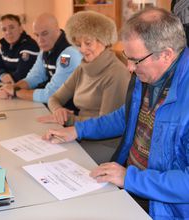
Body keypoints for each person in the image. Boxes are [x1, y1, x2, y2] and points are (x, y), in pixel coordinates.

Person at [42, 7, 189, 219]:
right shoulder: (148, 73)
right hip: (132, 186)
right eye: (126, 57)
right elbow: (126, 117)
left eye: (135, 60)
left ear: (166, 54)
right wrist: (77, 130)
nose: (129, 68)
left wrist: (130, 179)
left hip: (162, 206)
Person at [37, 11, 130, 126]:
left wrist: (68, 119)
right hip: (79, 134)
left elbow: (106, 125)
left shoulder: (116, 73)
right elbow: (54, 98)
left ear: (104, 41)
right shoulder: (82, 68)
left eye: (88, 43)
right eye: (78, 44)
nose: (82, 49)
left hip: (102, 142)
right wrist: (58, 111)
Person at [0, 13, 82, 104]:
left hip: (75, 111)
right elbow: (35, 76)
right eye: (37, 35)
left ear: (57, 30)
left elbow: (52, 94)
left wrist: (15, 92)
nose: (40, 40)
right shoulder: (46, 48)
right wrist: (12, 87)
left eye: (44, 34)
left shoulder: (68, 54)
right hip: (58, 107)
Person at [0, 14, 39, 84]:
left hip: (27, 88)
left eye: (12, 27)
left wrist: (8, 77)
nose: (8, 32)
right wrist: (2, 75)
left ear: (20, 29)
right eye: (4, 29)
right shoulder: (4, 45)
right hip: (8, 86)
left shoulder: (29, 45)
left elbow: (22, 74)